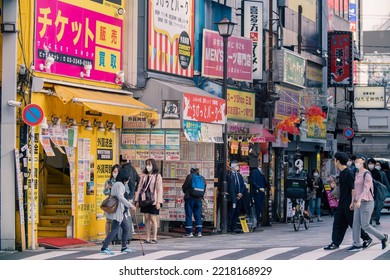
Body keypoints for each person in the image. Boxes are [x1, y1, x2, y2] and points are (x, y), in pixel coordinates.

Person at [324, 152, 372, 250]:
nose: (334, 162)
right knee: (338, 223)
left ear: (338, 161)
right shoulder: (342, 173)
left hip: (349, 203)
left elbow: (353, 189)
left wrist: (352, 202)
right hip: (342, 203)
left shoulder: (348, 173)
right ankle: (335, 243)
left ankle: (367, 238)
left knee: (353, 223)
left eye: (334, 160)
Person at [348, 156, 388, 251]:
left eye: (359, 162)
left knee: (365, 225)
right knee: (356, 224)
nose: (357, 163)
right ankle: (356, 244)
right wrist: (353, 201)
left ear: (363, 162)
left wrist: (359, 200)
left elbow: (366, 190)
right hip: (358, 202)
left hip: (366, 202)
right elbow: (356, 189)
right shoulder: (357, 174)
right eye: (356, 162)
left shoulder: (367, 174)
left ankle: (383, 237)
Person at [100, 168, 137, 255]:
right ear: (125, 178)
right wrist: (131, 205)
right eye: (128, 178)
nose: (128, 179)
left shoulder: (117, 184)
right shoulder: (120, 185)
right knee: (115, 229)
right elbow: (120, 197)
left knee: (126, 228)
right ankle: (104, 247)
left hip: (120, 211)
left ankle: (124, 247)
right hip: (118, 211)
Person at [134, 158, 163, 244]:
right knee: (146, 218)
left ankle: (154, 238)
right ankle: (147, 238)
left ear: (153, 165)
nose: (148, 166)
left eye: (149, 164)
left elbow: (159, 189)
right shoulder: (143, 175)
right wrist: (137, 200)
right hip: (144, 199)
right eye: (147, 164)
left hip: (153, 200)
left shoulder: (157, 176)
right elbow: (139, 188)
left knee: (153, 218)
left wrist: (159, 202)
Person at [182, 167, 206, 237]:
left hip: (189, 198)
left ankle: (189, 232)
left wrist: (186, 192)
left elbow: (184, 187)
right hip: (198, 199)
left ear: (191, 171)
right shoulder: (202, 178)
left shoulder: (189, 177)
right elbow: (204, 188)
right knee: (198, 214)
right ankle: (199, 232)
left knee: (189, 215)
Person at [227, 160, 249, 233]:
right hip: (233, 196)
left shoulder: (239, 175)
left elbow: (242, 185)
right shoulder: (229, 175)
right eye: (236, 166)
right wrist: (236, 194)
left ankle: (234, 227)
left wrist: (241, 193)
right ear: (232, 166)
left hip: (240, 196)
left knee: (237, 212)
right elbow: (231, 187)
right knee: (231, 212)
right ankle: (229, 227)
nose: (238, 167)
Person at [103, 164, 121, 239]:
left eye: (116, 172)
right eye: (114, 171)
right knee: (108, 220)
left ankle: (116, 237)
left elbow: (126, 191)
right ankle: (107, 237)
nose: (115, 173)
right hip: (110, 203)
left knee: (117, 221)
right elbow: (105, 192)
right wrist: (107, 188)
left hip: (119, 203)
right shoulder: (109, 181)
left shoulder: (121, 181)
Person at [370, 161, 390, 225]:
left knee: (378, 206)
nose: (377, 166)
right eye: (376, 164)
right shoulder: (368, 172)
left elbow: (386, 183)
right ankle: (371, 219)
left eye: (378, 165)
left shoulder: (382, 173)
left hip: (380, 191)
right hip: (371, 191)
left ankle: (376, 219)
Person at [250, 162, 268, 228]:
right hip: (257, 192)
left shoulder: (262, 172)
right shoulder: (255, 172)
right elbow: (253, 182)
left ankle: (257, 221)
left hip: (261, 192)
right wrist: (259, 188)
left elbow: (265, 182)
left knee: (260, 207)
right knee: (257, 207)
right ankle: (256, 221)